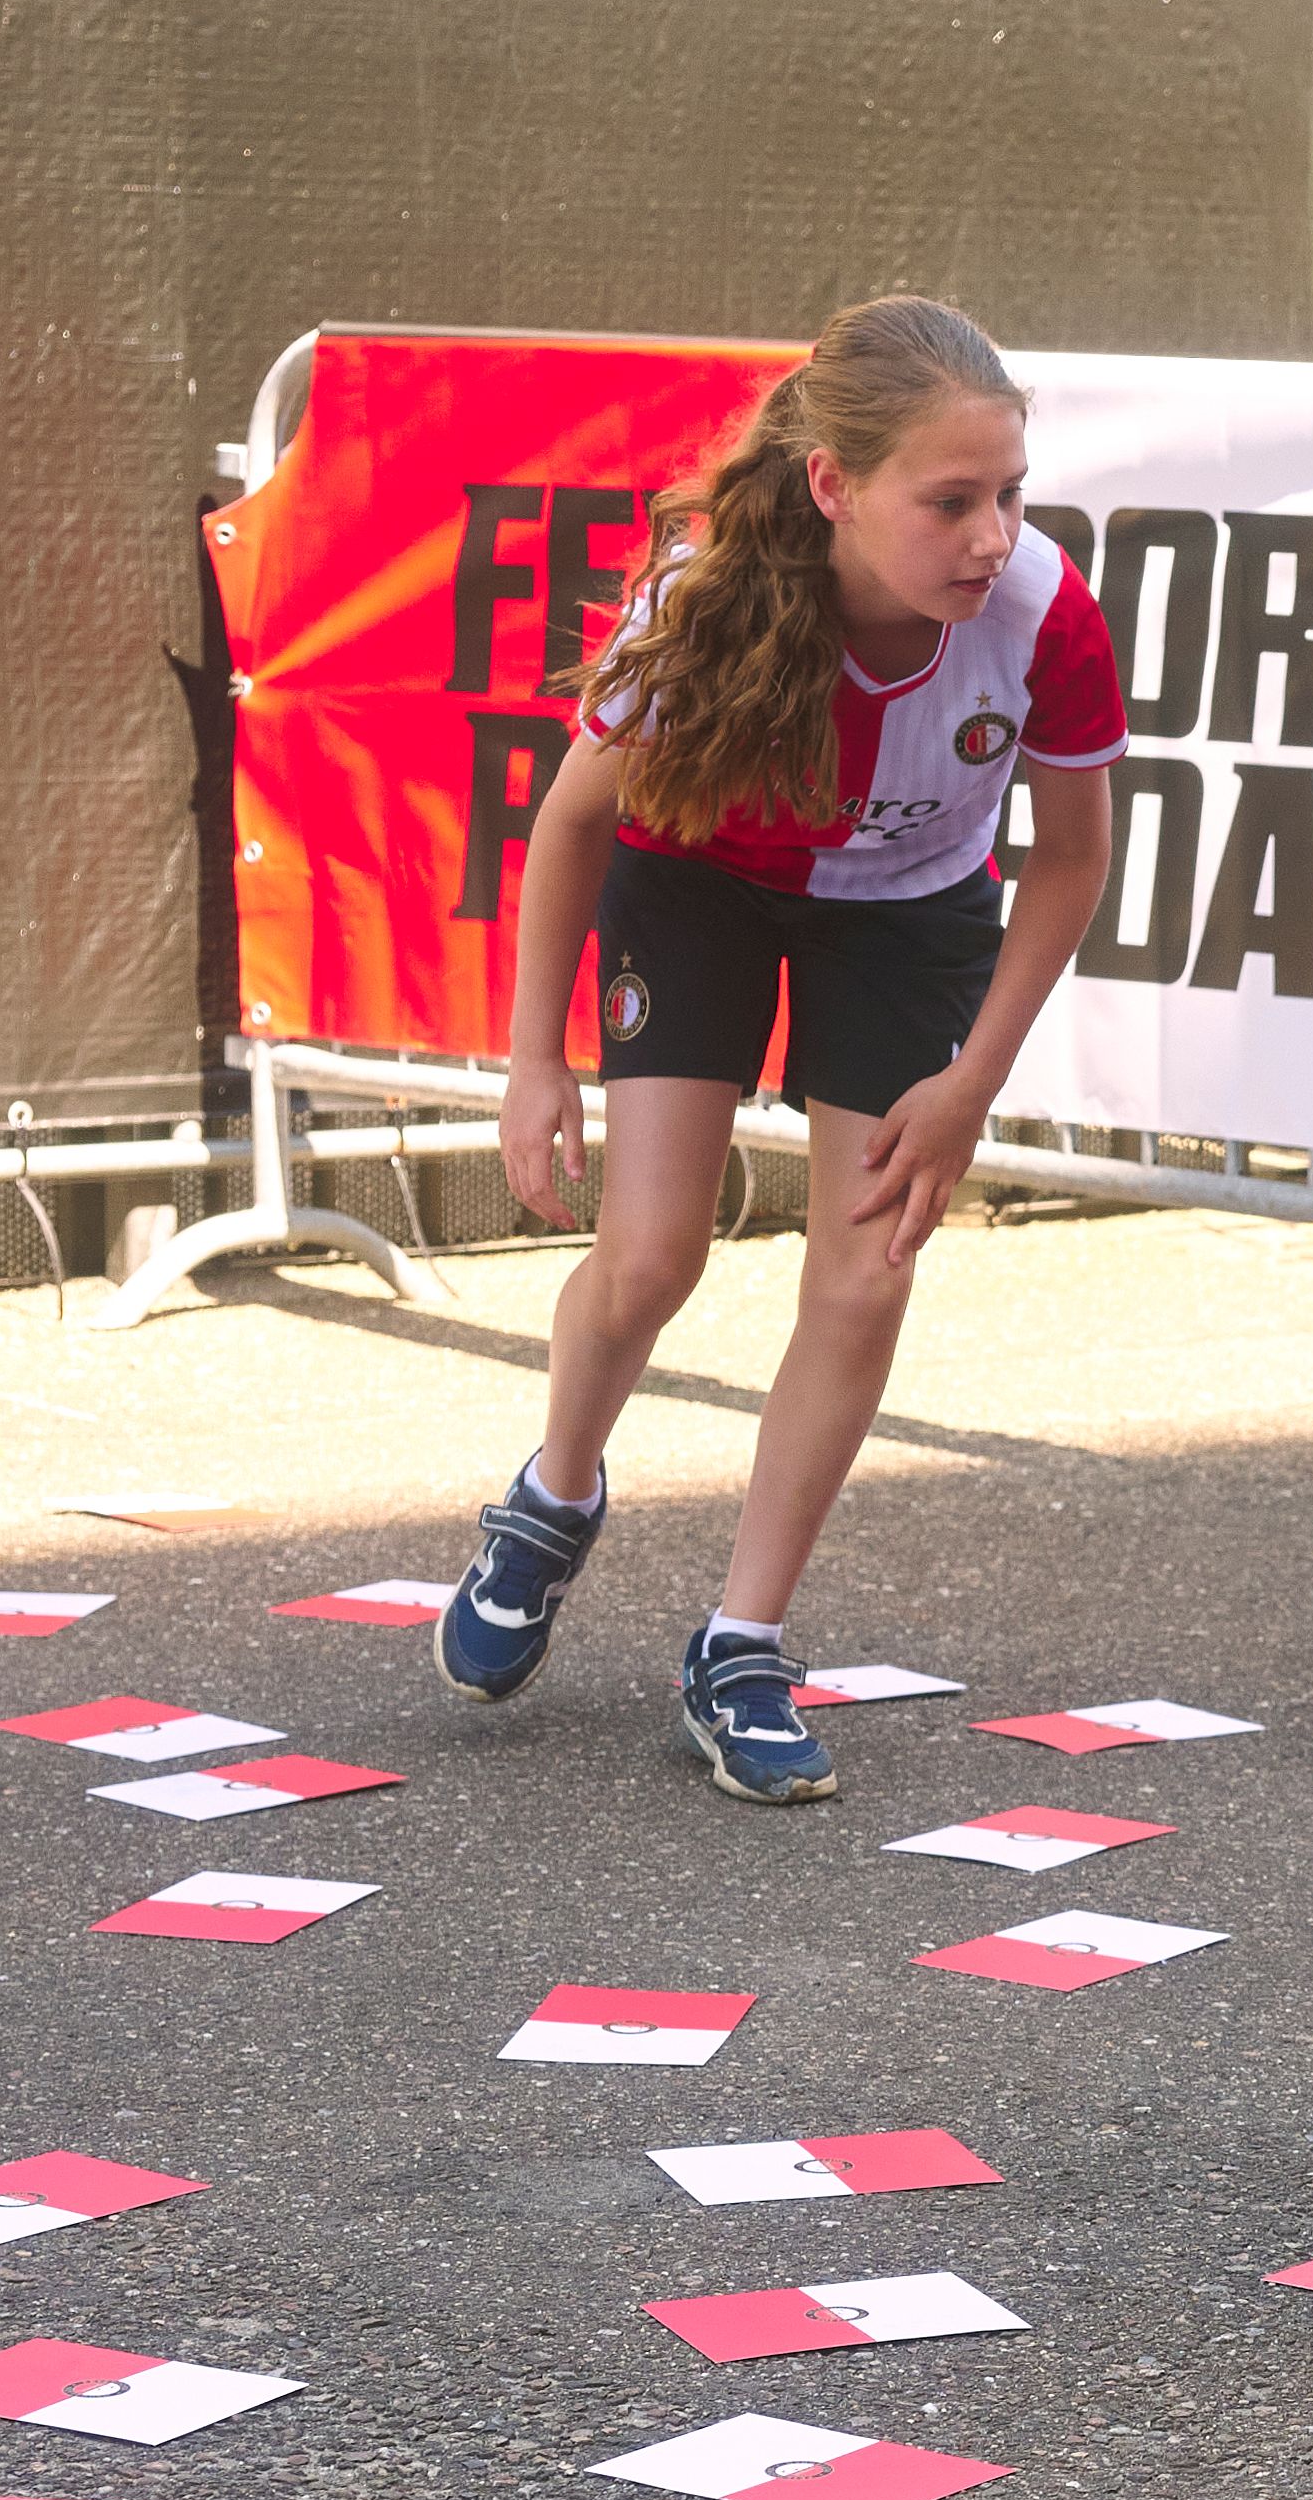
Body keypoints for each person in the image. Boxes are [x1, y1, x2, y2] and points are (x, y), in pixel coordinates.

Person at [435, 297, 1124, 1803]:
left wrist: (971, 1084)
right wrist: (533, 1061)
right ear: (833, 486)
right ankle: (555, 1494)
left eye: (1009, 493)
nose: (990, 535)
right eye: (950, 502)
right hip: (702, 885)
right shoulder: (705, 590)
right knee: (650, 1256)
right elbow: (571, 821)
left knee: (867, 1267)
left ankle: (740, 1640)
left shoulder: (1043, 612)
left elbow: (1068, 859)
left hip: (909, 914)